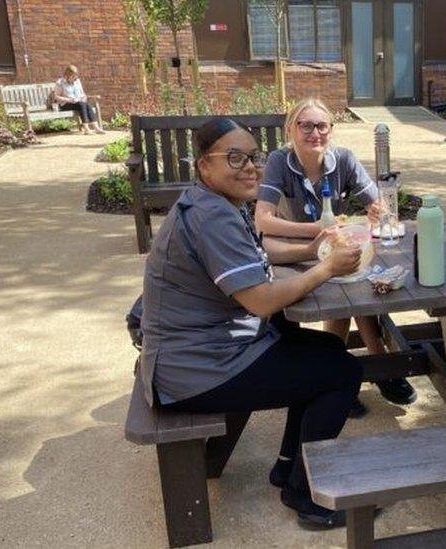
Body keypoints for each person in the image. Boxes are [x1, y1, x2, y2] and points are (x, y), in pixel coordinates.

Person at [141, 117, 364, 528]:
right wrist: (326, 268)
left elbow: (254, 255)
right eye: (234, 157)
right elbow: (261, 301)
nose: (250, 167)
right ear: (204, 166)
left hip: (197, 354)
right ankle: (308, 498)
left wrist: (309, 246)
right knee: (342, 371)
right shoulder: (212, 216)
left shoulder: (214, 203)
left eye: (253, 157)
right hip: (197, 369)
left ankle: (287, 468)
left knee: (326, 351)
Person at [255, 97, 417, 416]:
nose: (315, 133)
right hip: (293, 254)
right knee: (346, 283)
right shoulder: (279, 161)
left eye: (322, 126)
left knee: (352, 279)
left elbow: (377, 203)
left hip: (332, 250)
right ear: (291, 128)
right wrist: (316, 231)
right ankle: (375, 364)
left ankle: (344, 375)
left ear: (331, 130)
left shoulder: (342, 159)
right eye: (306, 125)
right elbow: (263, 220)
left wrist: (378, 210)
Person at [53, 65, 105, 134]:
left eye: (75, 76)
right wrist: (69, 100)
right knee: (82, 104)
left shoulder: (77, 81)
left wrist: (83, 97)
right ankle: (86, 129)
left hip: (78, 102)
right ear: (67, 75)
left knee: (86, 104)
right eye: (72, 76)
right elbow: (56, 97)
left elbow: (82, 93)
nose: (74, 78)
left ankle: (96, 128)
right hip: (65, 104)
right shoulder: (60, 82)